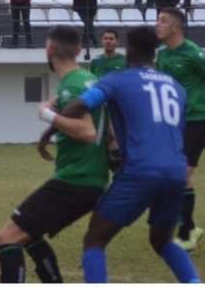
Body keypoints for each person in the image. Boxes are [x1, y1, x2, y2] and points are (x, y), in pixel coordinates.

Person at [51, 26, 199, 284]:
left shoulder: (118, 79)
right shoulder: (177, 86)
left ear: (128, 50)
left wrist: (49, 120)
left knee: (95, 239)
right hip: (177, 171)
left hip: (141, 170)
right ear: (155, 53)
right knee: (161, 240)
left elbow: (80, 105)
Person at [0, 25, 108, 283]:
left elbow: (88, 132)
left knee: (7, 238)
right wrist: (48, 135)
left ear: (49, 49)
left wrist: (46, 114)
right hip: (91, 179)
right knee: (29, 236)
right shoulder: (89, 80)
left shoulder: (72, 86)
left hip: (75, 180)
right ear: (79, 50)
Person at [155, 7, 205, 251]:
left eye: (162, 21)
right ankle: (189, 226)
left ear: (176, 26)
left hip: (198, 119)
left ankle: (187, 232)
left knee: (183, 174)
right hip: (175, 122)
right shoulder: (162, 56)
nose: (157, 24)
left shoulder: (194, 53)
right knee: (177, 175)